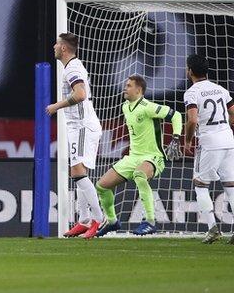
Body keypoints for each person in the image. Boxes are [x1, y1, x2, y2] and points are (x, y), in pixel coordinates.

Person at [96, 75, 183, 236]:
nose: (125, 88)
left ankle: (150, 221)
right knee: (102, 185)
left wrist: (176, 137)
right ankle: (112, 221)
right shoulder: (125, 107)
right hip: (132, 157)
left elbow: (176, 116)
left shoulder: (147, 107)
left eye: (129, 86)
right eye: (125, 85)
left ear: (139, 90)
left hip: (153, 156)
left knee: (140, 175)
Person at [46, 33, 104, 239]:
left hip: (81, 127)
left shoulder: (72, 68)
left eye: (57, 43)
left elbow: (80, 94)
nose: (53, 46)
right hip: (83, 126)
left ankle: (98, 217)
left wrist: (56, 106)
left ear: (63, 48)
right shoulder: (73, 66)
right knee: (80, 174)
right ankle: (84, 219)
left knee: (77, 174)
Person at [183, 54, 234, 244]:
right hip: (228, 139)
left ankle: (213, 228)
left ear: (190, 71)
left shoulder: (192, 93)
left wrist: (187, 140)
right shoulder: (220, 89)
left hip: (209, 141)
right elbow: (233, 113)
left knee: (200, 184)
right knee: (230, 185)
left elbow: (193, 119)